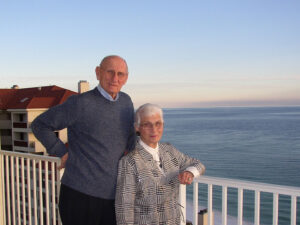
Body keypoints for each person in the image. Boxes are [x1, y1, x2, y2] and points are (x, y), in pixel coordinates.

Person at [31, 55, 135, 225]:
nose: (115, 78)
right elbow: (40, 125)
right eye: (110, 72)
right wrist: (61, 153)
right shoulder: (80, 103)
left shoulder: (126, 102)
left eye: (120, 74)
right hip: (79, 196)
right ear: (98, 72)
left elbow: (130, 138)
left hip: (113, 197)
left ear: (126, 78)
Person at [115, 103, 206, 225]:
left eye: (158, 123)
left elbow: (198, 164)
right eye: (147, 125)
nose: (154, 129)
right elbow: (124, 208)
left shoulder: (169, 151)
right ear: (137, 127)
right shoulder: (129, 161)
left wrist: (189, 172)